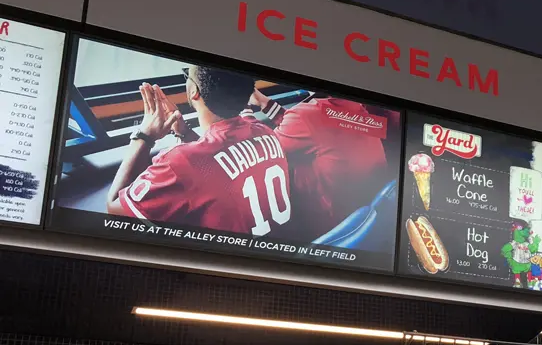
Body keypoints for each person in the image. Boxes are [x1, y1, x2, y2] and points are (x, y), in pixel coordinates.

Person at [107, 66, 290, 237]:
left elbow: (115, 209)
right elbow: (214, 165)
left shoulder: (179, 162)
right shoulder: (264, 131)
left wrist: (144, 136)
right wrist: (183, 132)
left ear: (194, 91)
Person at [248, 88, 392, 242]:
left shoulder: (307, 116)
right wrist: (265, 103)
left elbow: (263, 150)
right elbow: (306, 128)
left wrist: (243, 111)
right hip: (363, 221)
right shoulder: (358, 108)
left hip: (324, 223)